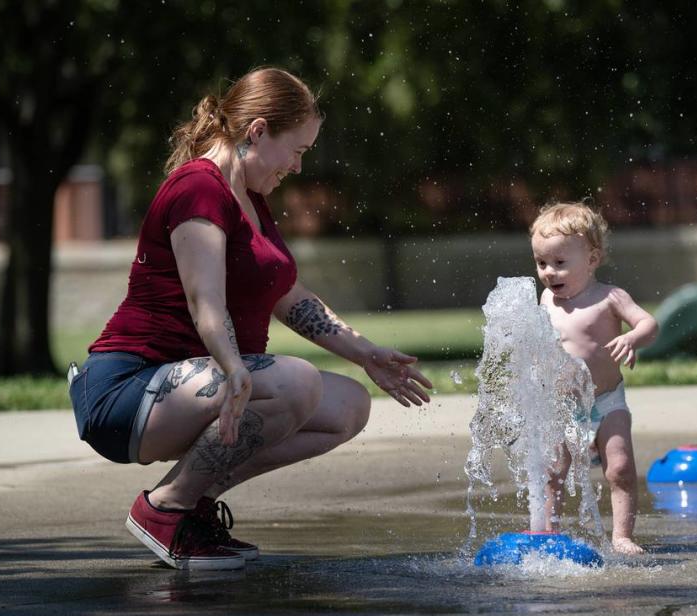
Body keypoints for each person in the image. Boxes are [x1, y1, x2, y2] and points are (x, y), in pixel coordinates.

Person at [68, 67, 433, 570]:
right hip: (126, 389)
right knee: (295, 384)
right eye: (298, 150)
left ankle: (188, 502)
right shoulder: (198, 189)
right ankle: (165, 511)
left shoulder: (252, 200)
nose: (299, 168)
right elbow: (205, 304)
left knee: (347, 406)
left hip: (188, 385)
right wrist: (236, 367)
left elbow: (289, 296)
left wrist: (367, 354)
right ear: (258, 130)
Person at [528, 201, 658, 555]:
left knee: (619, 468)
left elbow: (649, 323)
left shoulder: (609, 297)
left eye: (559, 263)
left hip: (606, 400)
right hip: (562, 405)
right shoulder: (546, 300)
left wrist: (632, 338)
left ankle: (622, 536)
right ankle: (547, 533)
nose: (549, 273)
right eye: (541, 263)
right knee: (553, 473)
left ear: (592, 259)